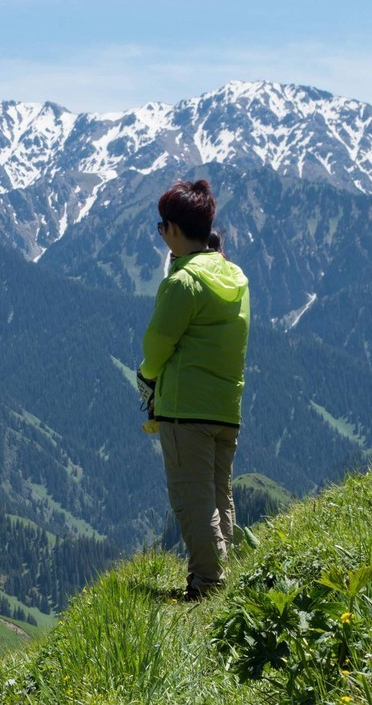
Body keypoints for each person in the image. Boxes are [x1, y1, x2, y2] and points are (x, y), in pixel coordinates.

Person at [138, 180, 250, 600]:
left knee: (193, 501)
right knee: (220, 495)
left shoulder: (182, 283)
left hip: (185, 409)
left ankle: (206, 585)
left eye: (161, 226)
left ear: (173, 229)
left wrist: (147, 376)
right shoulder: (235, 276)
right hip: (226, 407)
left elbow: (157, 345)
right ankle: (230, 573)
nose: (161, 233)